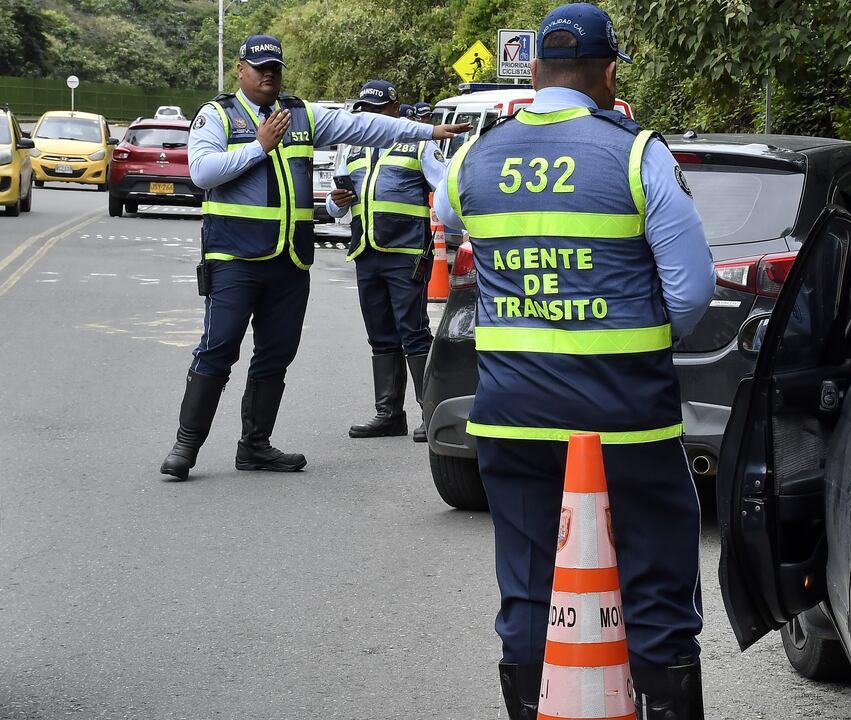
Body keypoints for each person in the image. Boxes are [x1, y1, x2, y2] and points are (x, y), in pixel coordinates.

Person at [433, 5, 714, 719]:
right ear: (609, 73)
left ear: (533, 71)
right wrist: (633, 339)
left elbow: (447, 215)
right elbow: (691, 290)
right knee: (656, 589)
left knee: (529, 589)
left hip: (514, 417)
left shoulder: (475, 159)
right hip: (626, 421)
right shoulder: (635, 153)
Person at [159, 35, 468, 481]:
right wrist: (259, 146)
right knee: (218, 350)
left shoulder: (301, 114)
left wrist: (428, 131)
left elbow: (367, 127)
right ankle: (185, 447)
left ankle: (256, 446)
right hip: (235, 257)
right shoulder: (218, 114)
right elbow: (202, 172)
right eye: (260, 67)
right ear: (241, 70)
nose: (269, 74)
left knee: (275, 355)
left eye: (275, 68)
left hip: (289, 261)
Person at [324, 80, 445, 440]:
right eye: (367, 109)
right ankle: (389, 414)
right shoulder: (353, 147)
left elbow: (447, 187)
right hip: (366, 253)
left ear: (395, 109)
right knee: (380, 336)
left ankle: (430, 413)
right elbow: (334, 208)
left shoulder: (419, 142)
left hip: (406, 253)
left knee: (413, 333)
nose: (373, 116)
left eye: (379, 109)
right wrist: (337, 201)